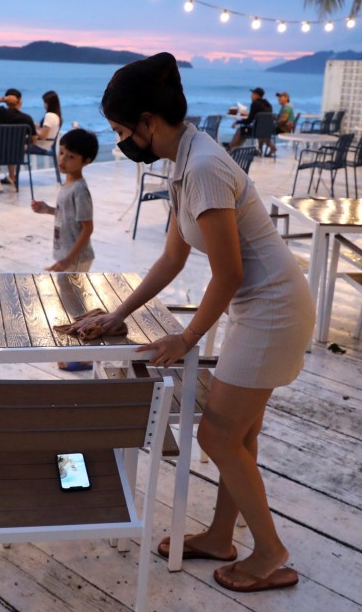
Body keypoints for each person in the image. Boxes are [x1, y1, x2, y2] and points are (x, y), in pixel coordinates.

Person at [73, 52, 314, 593]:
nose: (121, 142)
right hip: (261, 309)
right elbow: (172, 260)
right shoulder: (186, 163)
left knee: (217, 435)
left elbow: (227, 275)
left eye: (121, 131)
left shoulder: (202, 168)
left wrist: (185, 337)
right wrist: (118, 314)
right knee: (240, 436)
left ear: (148, 124)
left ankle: (270, 551)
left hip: (271, 311)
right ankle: (222, 536)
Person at [31, 127, 99, 372]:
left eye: (70, 156)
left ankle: (80, 356)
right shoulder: (67, 184)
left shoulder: (80, 189)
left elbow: (87, 228)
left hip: (76, 258)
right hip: (66, 255)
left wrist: (68, 259)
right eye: (61, 153)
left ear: (86, 161)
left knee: (75, 307)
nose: (62, 159)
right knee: (70, 304)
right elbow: (64, 215)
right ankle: (76, 351)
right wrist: (46, 209)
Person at [0, 88, 37, 190]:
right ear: (20, 101)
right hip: (17, 155)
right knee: (11, 147)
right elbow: (34, 140)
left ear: (7, 102)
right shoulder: (27, 118)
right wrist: (21, 143)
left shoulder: (0, 112)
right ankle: (12, 177)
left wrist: (3, 99)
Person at [29, 90, 63, 156]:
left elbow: (43, 136)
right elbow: (48, 131)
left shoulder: (49, 115)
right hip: (46, 145)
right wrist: (39, 127)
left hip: (40, 146)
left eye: (45, 102)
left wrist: (33, 129)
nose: (44, 104)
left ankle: (15, 166)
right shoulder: (56, 116)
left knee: (16, 147)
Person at [265, 91, 296, 158]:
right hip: (283, 127)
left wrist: (274, 122)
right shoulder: (285, 106)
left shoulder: (287, 107)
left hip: (284, 128)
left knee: (263, 132)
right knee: (263, 131)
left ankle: (271, 149)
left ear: (286, 98)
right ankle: (265, 149)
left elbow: (284, 119)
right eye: (279, 97)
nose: (279, 98)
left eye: (281, 97)